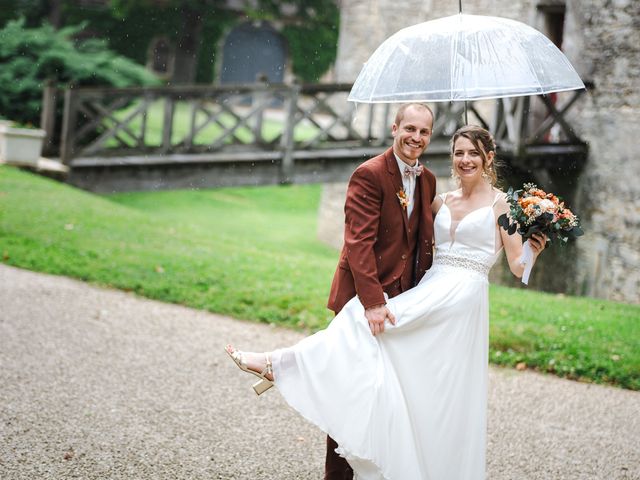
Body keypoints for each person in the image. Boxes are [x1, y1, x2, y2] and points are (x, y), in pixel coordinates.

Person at [225, 125, 546, 480]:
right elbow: (406, 231)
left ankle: (278, 364)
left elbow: (517, 267)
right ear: (451, 157)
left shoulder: (503, 205)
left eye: (473, 153)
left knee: (440, 387)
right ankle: (286, 367)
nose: (465, 160)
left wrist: (533, 248)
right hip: (431, 287)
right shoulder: (442, 199)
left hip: (462, 301)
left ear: (488, 158)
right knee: (379, 342)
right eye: (459, 152)